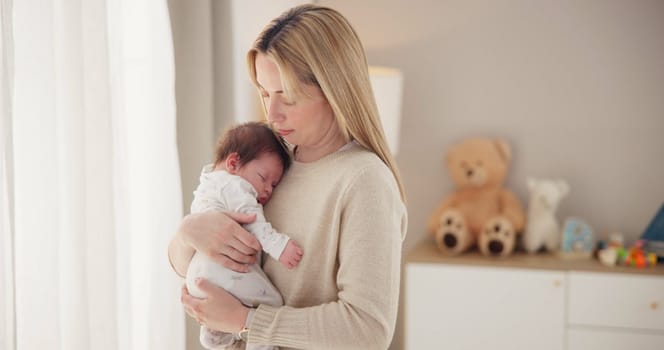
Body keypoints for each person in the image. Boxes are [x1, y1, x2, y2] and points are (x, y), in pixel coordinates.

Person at [168, 4, 407, 350]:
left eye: (288, 97)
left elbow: (367, 330)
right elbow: (182, 262)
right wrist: (188, 232)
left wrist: (245, 321)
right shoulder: (270, 160)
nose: (272, 113)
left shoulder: (365, 181)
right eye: (265, 93)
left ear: (334, 89)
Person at [184, 121, 303, 350]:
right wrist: (280, 246)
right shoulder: (236, 187)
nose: (268, 189)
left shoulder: (208, 183)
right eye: (263, 177)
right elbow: (255, 222)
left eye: (274, 184)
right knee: (272, 304)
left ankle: (214, 334)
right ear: (233, 162)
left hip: (197, 275)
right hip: (223, 272)